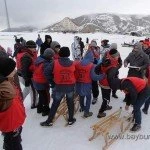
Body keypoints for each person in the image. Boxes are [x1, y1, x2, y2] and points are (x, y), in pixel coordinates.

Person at [40, 47, 76, 126]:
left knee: (55, 103)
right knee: (70, 103)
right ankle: (70, 119)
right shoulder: (73, 63)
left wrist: (52, 82)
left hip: (59, 87)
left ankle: (49, 121)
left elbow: (46, 72)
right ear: (69, 54)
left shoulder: (54, 62)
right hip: (70, 87)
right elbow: (75, 74)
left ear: (60, 54)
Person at [0, 57, 26, 150]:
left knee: (13, 141)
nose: (15, 71)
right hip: (10, 126)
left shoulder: (8, 81)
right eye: (12, 69)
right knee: (14, 145)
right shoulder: (4, 90)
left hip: (15, 123)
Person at [75, 50, 105, 117]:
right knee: (88, 98)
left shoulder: (78, 63)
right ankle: (86, 112)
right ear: (91, 57)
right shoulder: (91, 65)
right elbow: (94, 77)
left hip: (78, 83)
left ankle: (82, 107)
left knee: (81, 96)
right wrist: (102, 76)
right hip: (86, 84)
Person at [97, 49, 121, 118]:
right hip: (107, 84)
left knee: (105, 96)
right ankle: (100, 112)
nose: (118, 57)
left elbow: (97, 69)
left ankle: (106, 106)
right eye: (117, 56)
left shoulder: (106, 59)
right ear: (114, 56)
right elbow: (111, 77)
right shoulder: (112, 64)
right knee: (106, 98)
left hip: (102, 81)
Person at [32, 48, 55, 116]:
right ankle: (46, 110)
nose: (52, 57)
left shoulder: (39, 59)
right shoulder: (46, 63)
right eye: (51, 56)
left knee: (41, 95)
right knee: (46, 96)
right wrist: (52, 82)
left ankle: (39, 108)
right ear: (49, 56)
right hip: (42, 82)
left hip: (35, 81)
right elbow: (47, 73)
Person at [16, 40, 38, 109]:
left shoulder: (23, 52)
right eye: (34, 47)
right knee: (33, 90)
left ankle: (19, 101)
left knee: (27, 89)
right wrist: (27, 79)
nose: (35, 49)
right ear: (29, 47)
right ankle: (34, 104)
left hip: (21, 74)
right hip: (25, 75)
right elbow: (24, 69)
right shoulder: (26, 56)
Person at [88, 40, 101, 104]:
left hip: (95, 69)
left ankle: (95, 96)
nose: (92, 47)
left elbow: (98, 59)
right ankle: (89, 93)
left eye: (93, 46)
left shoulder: (97, 50)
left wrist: (93, 51)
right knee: (88, 82)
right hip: (88, 68)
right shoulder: (88, 50)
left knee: (94, 83)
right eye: (91, 46)